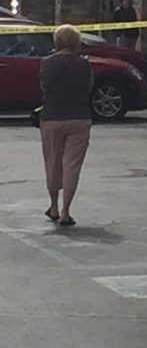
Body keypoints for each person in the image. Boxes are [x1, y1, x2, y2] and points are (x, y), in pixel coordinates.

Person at [39, 24, 93, 227]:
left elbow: (43, 86)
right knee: (72, 166)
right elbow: (89, 87)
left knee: (52, 162)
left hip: (52, 117)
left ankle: (52, 205)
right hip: (79, 117)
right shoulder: (83, 64)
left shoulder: (46, 63)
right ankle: (66, 211)